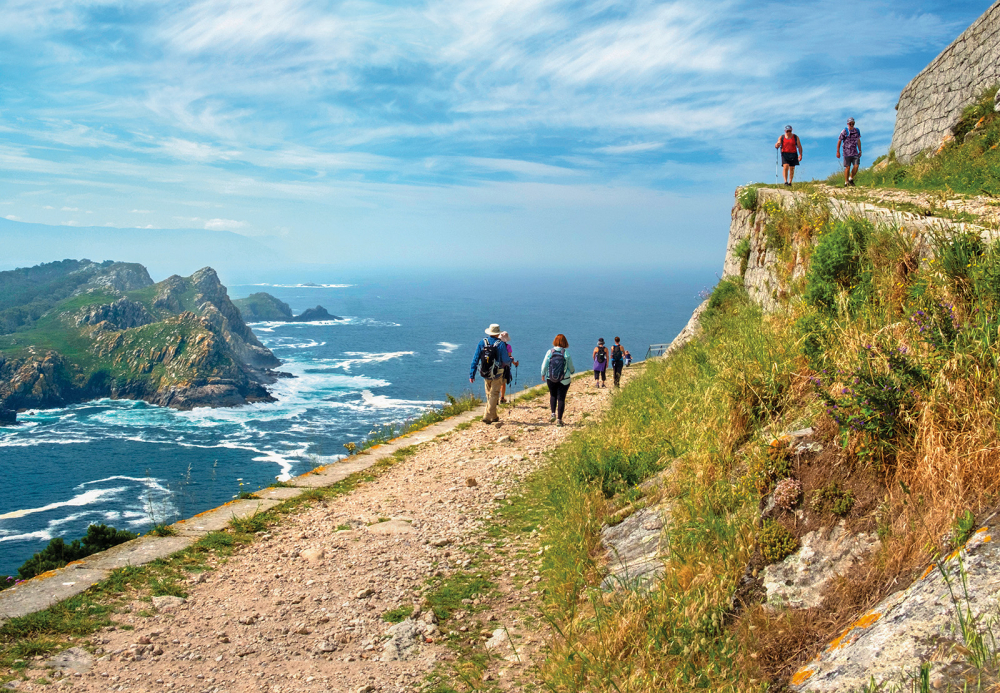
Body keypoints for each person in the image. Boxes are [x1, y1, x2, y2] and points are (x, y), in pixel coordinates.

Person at [469, 323, 513, 424]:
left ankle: (494, 416)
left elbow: (476, 358)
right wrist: (511, 360)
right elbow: (505, 360)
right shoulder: (500, 344)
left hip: (485, 372)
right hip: (497, 373)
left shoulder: (482, 342)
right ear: (498, 334)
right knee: (494, 395)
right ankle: (487, 416)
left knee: (489, 394)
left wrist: (472, 374)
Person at [541, 334, 575, 427]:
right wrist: (572, 371)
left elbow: (544, 365)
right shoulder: (566, 353)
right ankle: (559, 420)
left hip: (551, 378)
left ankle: (553, 413)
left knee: (553, 395)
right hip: (564, 379)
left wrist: (543, 374)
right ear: (565, 342)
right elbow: (570, 366)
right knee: (561, 398)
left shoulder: (550, 352)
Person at [837, 118, 862, 187]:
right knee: (847, 167)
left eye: (853, 123)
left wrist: (860, 150)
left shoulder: (857, 131)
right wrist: (838, 151)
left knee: (856, 166)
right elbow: (839, 141)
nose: (851, 125)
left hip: (855, 152)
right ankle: (846, 182)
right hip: (846, 152)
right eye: (850, 123)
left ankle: (851, 178)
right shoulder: (844, 131)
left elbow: (858, 141)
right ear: (848, 124)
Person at [498, 331, 519, 403]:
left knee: (496, 383)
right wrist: (515, 363)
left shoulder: (496, 346)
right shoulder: (508, 346)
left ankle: (495, 399)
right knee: (503, 383)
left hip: (496, 366)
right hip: (505, 367)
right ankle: (502, 397)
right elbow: (509, 357)